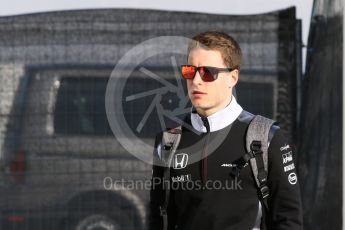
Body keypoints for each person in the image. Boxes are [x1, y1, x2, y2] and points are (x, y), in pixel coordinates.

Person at [148, 31, 303, 230]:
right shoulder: (168, 141)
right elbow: (157, 218)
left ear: (233, 77)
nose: (196, 81)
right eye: (189, 71)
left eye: (207, 72)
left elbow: (289, 218)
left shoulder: (266, 137)